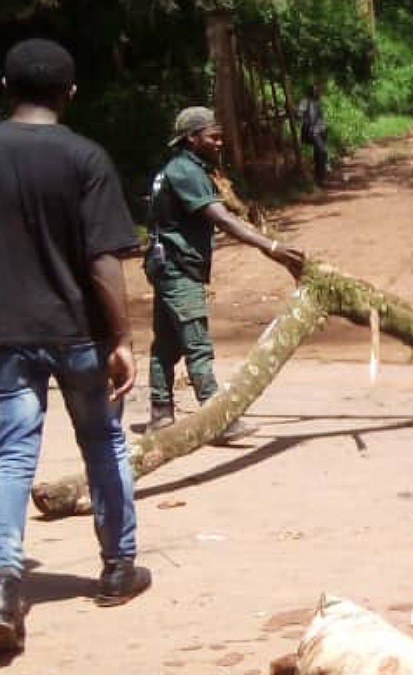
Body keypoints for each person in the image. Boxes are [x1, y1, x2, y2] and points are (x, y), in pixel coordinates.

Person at [0, 38, 151, 654]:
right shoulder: (86, 157)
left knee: (11, 455)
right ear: (70, 93)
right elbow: (103, 259)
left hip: (7, 336)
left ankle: (4, 586)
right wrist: (123, 338)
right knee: (104, 443)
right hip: (82, 335)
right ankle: (117, 569)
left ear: (6, 88)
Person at [145, 106, 305, 440]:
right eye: (213, 136)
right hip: (178, 268)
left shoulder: (180, 168)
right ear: (192, 138)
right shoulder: (185, 171)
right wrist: (272, 246)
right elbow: (222, 219)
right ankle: (217, 419)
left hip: (167, 265)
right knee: (197, 344)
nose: (220, 142)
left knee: (167, 344)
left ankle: (160, 415)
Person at [296, 85, 329, 187]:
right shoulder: (305, 101)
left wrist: (323, 127)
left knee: (320, 153)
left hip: (320, 131)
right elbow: (299, 114)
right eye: (316, 91)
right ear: (312, 93)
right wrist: (299, 113)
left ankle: (319, 176)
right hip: (311, 132)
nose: (318, 93)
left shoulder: (317, 103)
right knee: (322, 151)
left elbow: (320, 118)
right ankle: (321, 178)